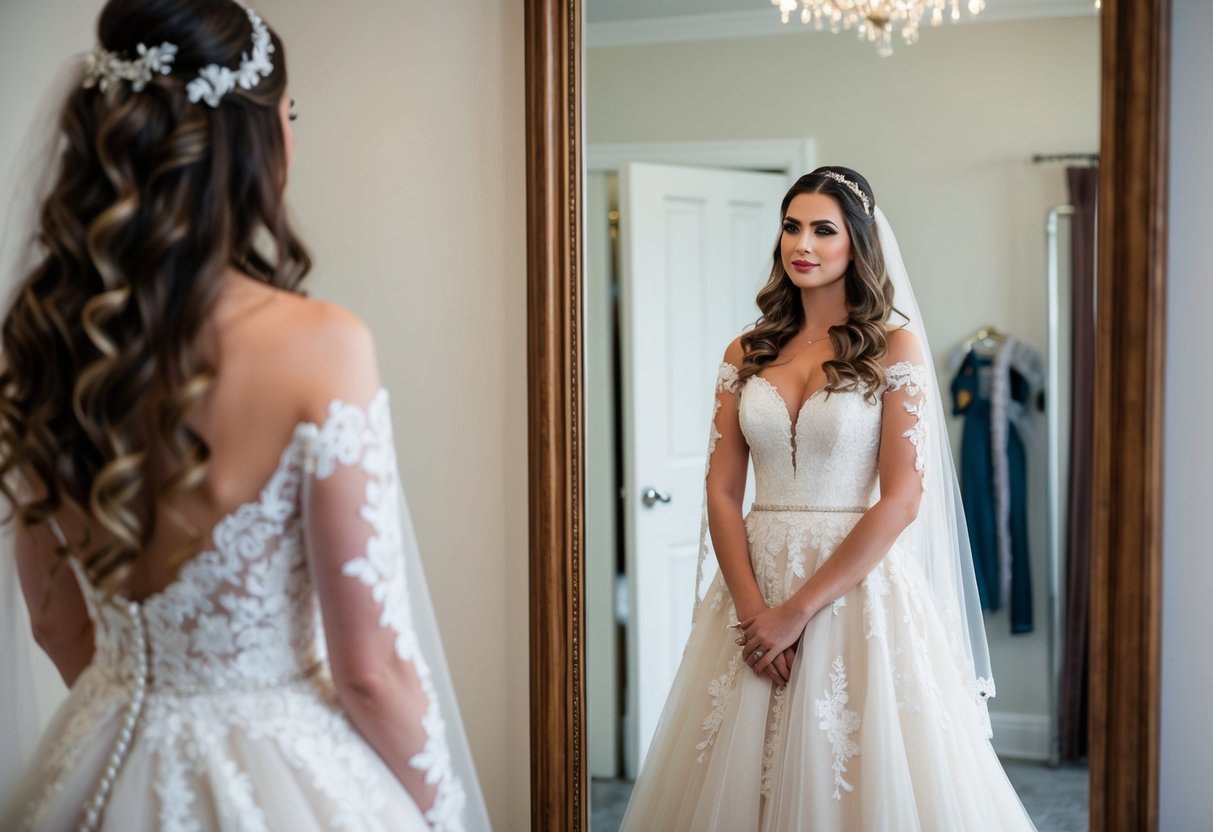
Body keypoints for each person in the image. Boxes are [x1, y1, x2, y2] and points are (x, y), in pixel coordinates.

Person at [0, 1, 489, 830]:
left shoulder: (39, 335)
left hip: (99, 752)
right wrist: (441, 812)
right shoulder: (321, 343)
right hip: (274, 773)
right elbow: (370, 672)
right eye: (289, 114)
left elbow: (54, 623)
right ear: (253, 138)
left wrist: (143, 716)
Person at [619, 167, 1037, 830]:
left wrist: (795, 612)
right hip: (751, 579)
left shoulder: (892, 347)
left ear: (856, 244)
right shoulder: (746, 351)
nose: (801, 243)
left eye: (822, 229)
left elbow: (901, 499)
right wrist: (755, 611)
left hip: (853, 587)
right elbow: (722, 490)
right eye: (791, 226)